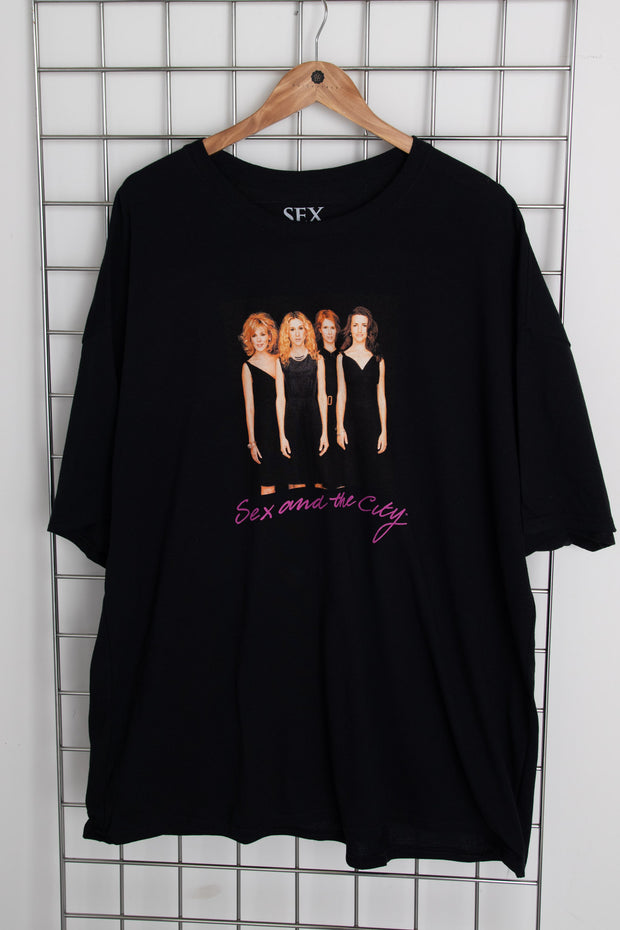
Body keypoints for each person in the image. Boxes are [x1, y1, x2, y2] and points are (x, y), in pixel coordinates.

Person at [336, 306, 388, 489]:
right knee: (351, 475)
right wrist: (340, 428)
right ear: (350, 328)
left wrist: (384, 431)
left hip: (372, 424)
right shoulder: (342, 358)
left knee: (372, 476)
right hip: (350, 424)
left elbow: (381, 397)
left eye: (363, 325)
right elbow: (341, 394)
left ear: (369, 328)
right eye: (355, 325)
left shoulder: (378, 359)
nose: (359, 330)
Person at [276, 311, 329, 490]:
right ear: (287, 333)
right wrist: (282, 436)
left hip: (314, 419)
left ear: (306, 331)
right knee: (296, 480)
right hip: (292, 421)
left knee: (319, 479)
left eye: (300, 328)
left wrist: (325, 432)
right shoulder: (281, 361)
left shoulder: (317, 359)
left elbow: (322, 396)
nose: (297, 333)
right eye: (292, 329)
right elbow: (280, 399)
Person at [238, 313, 281, 495]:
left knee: (295, 481)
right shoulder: (248, 367)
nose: (259, 339)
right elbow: (249, 407)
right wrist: (252, 442)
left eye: (263, 334)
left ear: (270, 336)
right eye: (254, 335)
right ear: (249, 339)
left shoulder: (281, 358)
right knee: (268, 483)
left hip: (288, 425)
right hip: (265, 431)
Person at [315, 308, 346, 489]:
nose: (329, 332)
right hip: (321, 414)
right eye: (325, 327)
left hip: (342, 414)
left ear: (337, 329)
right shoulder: (315, 357)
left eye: (332, 328)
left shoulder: (344, 356)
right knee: (322, 469)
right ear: (319, 330)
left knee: (341, 469)